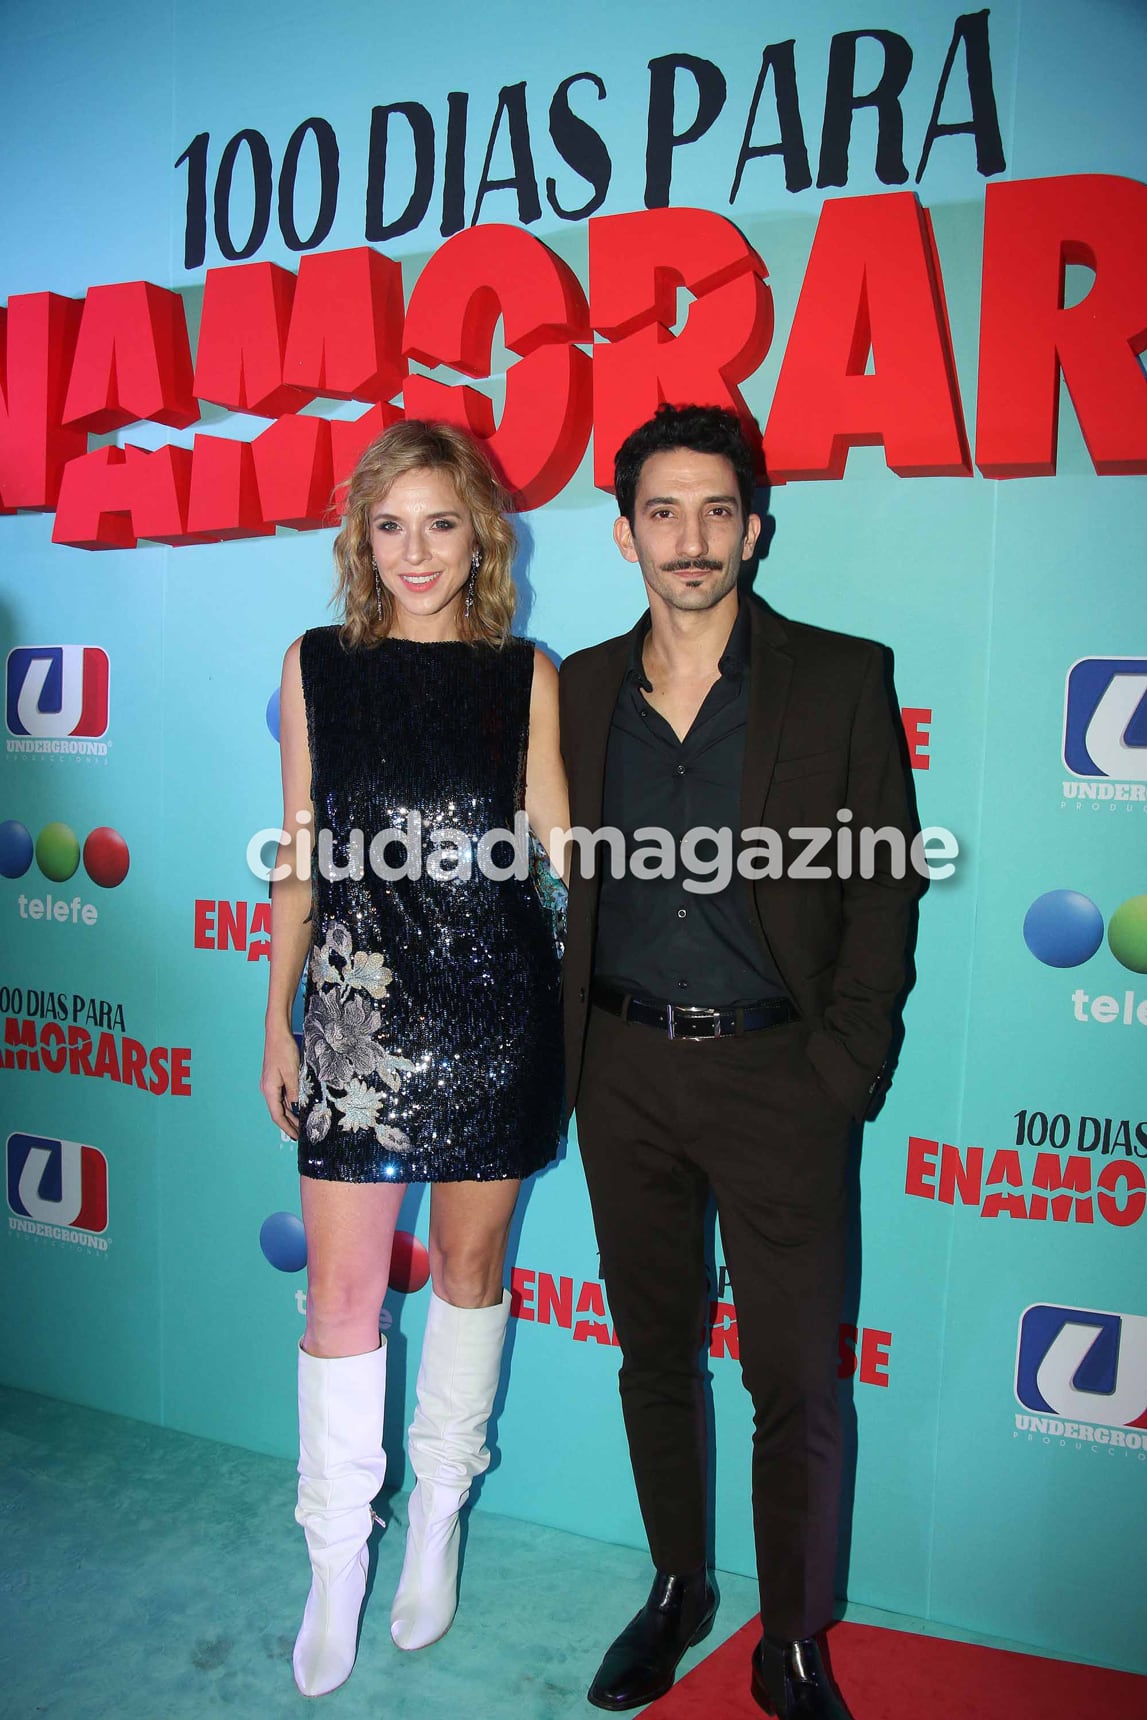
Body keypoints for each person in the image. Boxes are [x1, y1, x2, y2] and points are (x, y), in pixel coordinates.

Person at [558, 404, 919, 1719]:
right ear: (622, 533)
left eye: (716, 509)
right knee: (654, 1356)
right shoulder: (579, 686)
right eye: (662, 510)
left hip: (782, 1081)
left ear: (754, 527)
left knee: (794, 1382)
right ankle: (673, 1590)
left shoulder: (837, 678)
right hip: (620, 1073)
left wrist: (845, 1069)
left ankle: (796, 1638)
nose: (690, 537)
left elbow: (883, 890)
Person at [260, 419, 567, 1698]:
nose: (415, 552)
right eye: (390, 526)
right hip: (353, 1017)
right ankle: (337, 1555)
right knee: (339, 1303)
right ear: (361, 538)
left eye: (441, 523)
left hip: (497, 1011)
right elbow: (299, 852)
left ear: (479, 533)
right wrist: (275, 1015)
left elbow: (564, 845)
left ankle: (437, 1513)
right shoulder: (315, 665)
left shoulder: (523, 672)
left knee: (471, 1269)